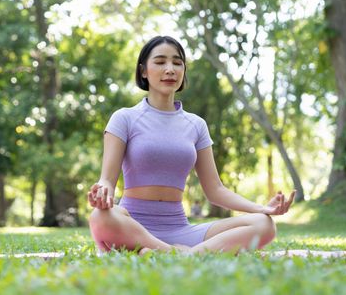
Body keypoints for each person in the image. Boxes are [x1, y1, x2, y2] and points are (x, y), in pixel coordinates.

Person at [88, 35, 295, 254]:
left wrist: (262, 208)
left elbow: (215, 189)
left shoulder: (196, 125)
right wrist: (103, 192)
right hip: (132, 224)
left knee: (263, 224)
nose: (170, 69)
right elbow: (107, 180)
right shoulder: (124, 118)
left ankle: (167, 253)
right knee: (101, 216)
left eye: (177, 63)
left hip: (180, 230)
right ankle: (181, 253)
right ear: (143, 71)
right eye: (160, 62)